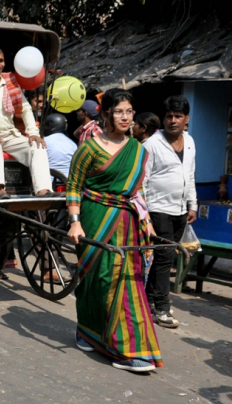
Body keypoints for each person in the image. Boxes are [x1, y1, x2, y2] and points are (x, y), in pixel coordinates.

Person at [66, 88, 161, 373]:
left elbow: (137, 188)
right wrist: (74, 221)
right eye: (118, 111)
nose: (124, 117)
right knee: (96, 278)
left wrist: (147, 219)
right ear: (106, 113)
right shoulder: (89, 148)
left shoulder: (137, 150)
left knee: (125, 282)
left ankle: (129, 348)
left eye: (129, 111)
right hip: (95, 217)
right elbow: (73, 186)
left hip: (129, 222)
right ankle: (87, 331)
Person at [0, 47, 56, 200]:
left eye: (1, 61)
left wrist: (33, 133)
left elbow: (26, 108)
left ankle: (43, 190)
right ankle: (0, 190)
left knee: (37, 146)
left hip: (9, 134)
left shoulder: (10, 83)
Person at [142, 96, 197, 328]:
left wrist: (192, 203)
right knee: (165, 258)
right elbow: (142, 182)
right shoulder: (151, 144)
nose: (173, 120)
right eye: (168, 116)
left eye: (178, 116)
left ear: (186, 119)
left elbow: (190, 174)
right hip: (157, 209)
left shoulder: (191, 141)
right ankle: (162, 308)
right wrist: (145, 215)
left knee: (164, 258)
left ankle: (149, 301)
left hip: (180, 210)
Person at [43, 113, 76, 178]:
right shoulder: (72, 144)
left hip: (48, 183)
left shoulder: (43, 141)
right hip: (67, 183)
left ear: (50, 126)